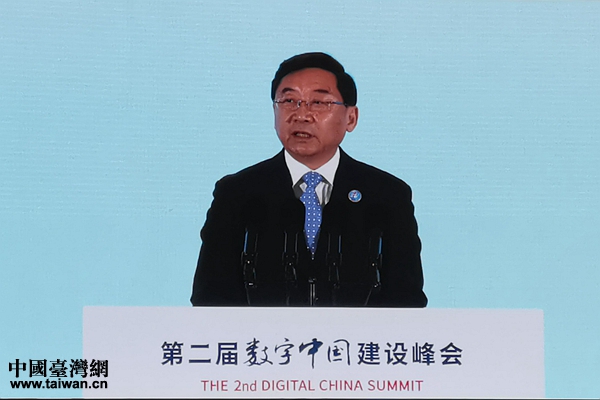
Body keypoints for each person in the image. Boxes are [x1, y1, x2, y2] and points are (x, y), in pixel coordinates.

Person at [191, 52, 427, 307]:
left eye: (319, 103)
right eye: (288, 101)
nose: (301, 115)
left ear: (351, 118)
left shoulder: (387, 195)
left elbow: (407, 300)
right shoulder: (236, 193)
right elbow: (210, 296)